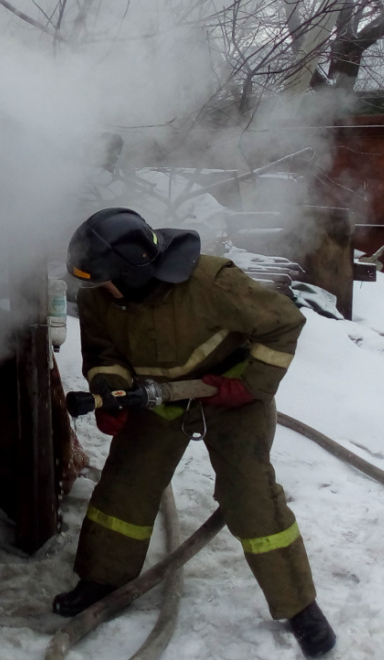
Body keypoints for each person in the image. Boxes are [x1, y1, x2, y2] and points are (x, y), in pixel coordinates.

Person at [55, 207, 337, 658]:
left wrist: (247, 387)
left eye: (101, 278)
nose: (91, 289)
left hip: (231, 397)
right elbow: (104, 352)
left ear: (132, 272)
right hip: (156, 399)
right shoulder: (99, 297)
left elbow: (284, 323)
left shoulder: (212, 283)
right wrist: (109, 389)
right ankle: (100, 581)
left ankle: (299, 606)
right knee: (124, 488)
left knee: (251, 497)